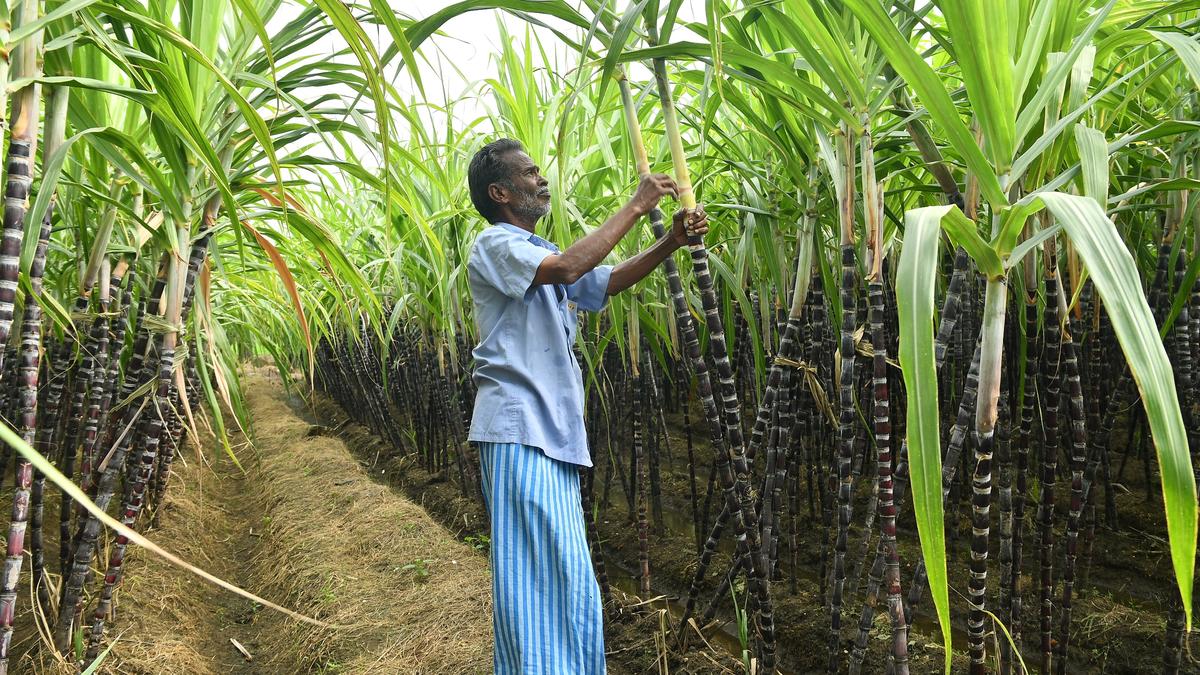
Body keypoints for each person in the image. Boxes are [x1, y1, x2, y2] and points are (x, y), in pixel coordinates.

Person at [464, 138, 707, 674]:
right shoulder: (495, 245)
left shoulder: (535, 251)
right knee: (534, 584)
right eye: (529, 173)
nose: (541, 179)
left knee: (568, 581)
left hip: (549, 435)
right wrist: (637, 205)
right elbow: (574, 267)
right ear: (500, 192)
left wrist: (669, 241)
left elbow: (606, 281)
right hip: (518, 430)